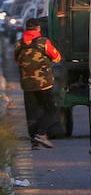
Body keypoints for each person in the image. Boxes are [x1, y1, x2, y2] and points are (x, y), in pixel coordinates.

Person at [15, 18, 62, 148]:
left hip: (27, 84)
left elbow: (16, 60)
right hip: (43, 83)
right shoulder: (44, 42)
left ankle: (34, 143)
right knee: (51, 109)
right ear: (38, 28)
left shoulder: (19, 43)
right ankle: (41, 134)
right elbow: (57, 58)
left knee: (31, 114)